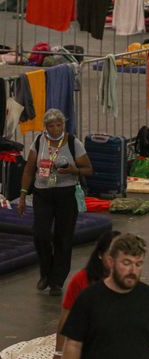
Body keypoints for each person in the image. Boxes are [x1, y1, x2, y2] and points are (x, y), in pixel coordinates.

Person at [18, 108, 93, 296]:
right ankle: (45, 272)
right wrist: (22, 195)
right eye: (51, 125)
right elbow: (28, 169)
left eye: (59, 124)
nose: (55, 129)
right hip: (42, 193)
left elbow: (88, 169)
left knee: (63, 237)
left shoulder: (73, 143)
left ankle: (57, 281)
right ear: (45, 127)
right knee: (40, 234)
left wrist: (73, 170)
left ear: (63, 125)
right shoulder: (38, 142)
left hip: (66, 194)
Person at [51, 230, 120, 359]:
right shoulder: (81, 280)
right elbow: (66, 317)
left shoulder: (128, 280)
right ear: (100, 255)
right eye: (111, 254)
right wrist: (58, 353)